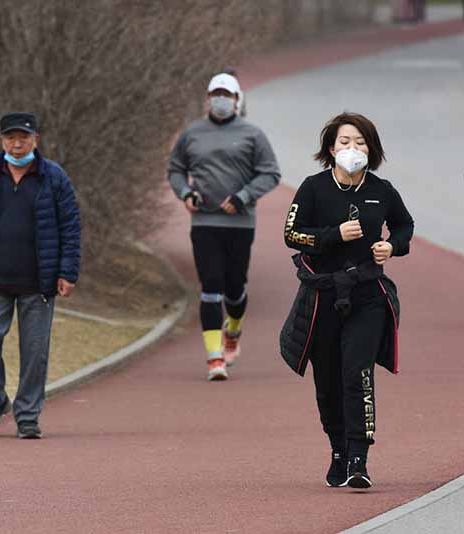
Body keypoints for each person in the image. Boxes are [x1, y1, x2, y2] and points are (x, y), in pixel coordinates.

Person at [280, 112, 414, 489]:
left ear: (371, 149)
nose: (352, 149)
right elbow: (291, 234)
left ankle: (359, 457)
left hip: (367, 295)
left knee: (358, 372)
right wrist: (332, 235)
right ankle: (337, 449)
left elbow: (405, 225)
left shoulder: (382, 190)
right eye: (344, 142)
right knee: (327, 381)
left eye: (360, 142)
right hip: (323, 296)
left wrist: (393, 246)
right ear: (330, 149)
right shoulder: (312, 188)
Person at [0, 112, 81, 439]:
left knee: (35, 352)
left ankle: (27, 416)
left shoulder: (53, 177)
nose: (17, 143)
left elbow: (70, 227)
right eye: (10, 138)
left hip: (39, 283)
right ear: (2, 141)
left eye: (23, 137)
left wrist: (68, 271)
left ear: (35, 139)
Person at [168, 73, 281, 381]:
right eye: (215, 94)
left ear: (235, 99)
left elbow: (270, 173)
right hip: (204, 220)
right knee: (210, 285)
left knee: (234, 287)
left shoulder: (252, 135)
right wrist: (185, 193)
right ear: (208, 98)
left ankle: (233, 330)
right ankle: (214, 358)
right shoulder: (192, 134)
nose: (220, 99)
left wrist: (243, 197)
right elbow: (176, 169)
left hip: (240, 223)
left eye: (226, 94)